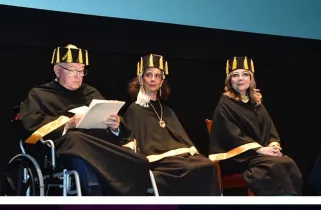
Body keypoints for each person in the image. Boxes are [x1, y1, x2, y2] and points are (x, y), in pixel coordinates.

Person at [20, 44, 152, 195]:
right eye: (72, 70)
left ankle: (131, 194)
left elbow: (118, 125)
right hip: (64, 147)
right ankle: (96, 192)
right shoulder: (40, 94)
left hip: (98, 144)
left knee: (139, 160)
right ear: (57, 70)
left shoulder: (90, 92)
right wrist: (68, 123)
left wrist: (115, 126)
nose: (78, 76)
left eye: (81, 71)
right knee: (76, 139)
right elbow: (31, 123)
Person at [122, 54, 219, 195]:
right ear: (141, 79)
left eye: (157, 76)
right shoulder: (134, 110)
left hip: (179, 158)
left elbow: (180, 138)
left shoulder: (166, 109)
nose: (153, 79)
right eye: (149, 75)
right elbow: (132, 142)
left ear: (162, 81)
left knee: (207, 165)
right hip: (158, 161)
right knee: (189, 169)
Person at [208, 57, 303, 195]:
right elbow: (232, 135)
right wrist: (260, 150)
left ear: (251, 78)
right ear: (229, 80)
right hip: (237, 157)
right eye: (235, 75)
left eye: (245, 74)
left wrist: (273, 146)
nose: (240, 78)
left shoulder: (256, 102)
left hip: (259, 155)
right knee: (274, 165)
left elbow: (270, 129)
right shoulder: (225, 103)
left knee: (288, 162)